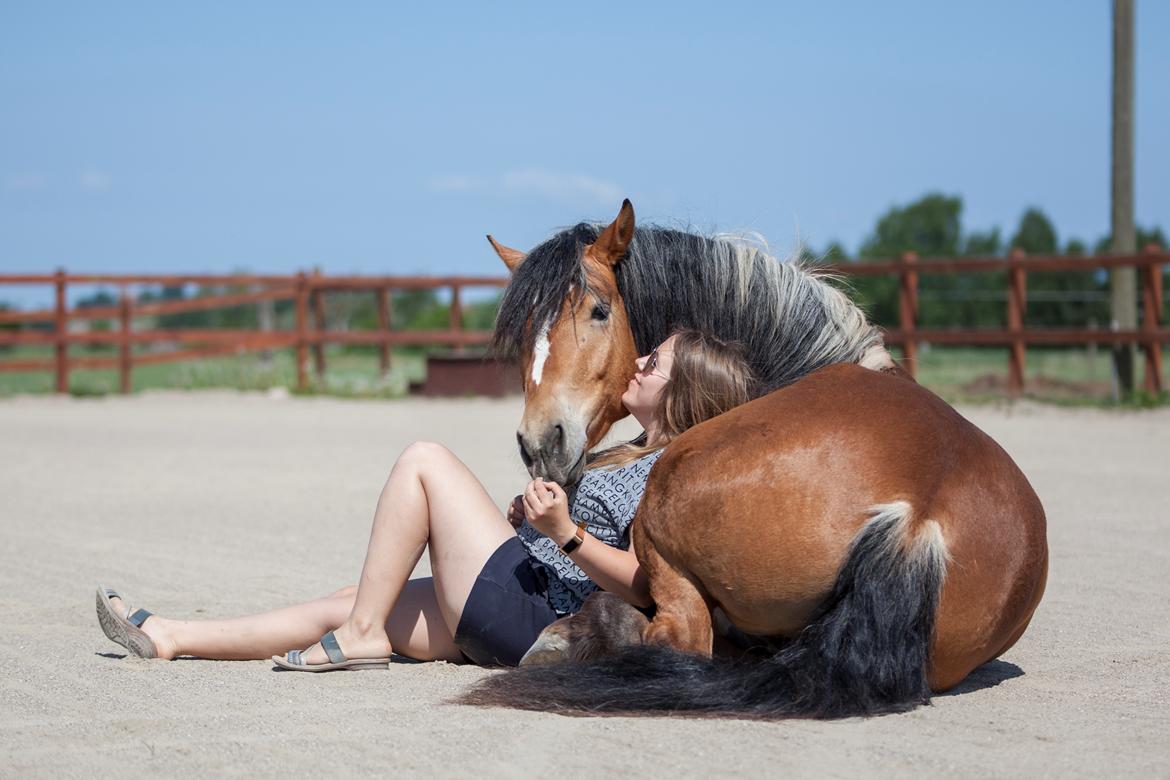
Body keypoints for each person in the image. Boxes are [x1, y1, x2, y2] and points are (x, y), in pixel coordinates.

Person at [96, 329, 757, 670]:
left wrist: (567, 536)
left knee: (425, 461)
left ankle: (359, 639)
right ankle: (173, 638)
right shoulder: (633, 450)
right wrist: (536, 519)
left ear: (687, 393)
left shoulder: (667, 473)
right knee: (347, 603)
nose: (640, 364)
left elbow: (649, 587)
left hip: (536, 612)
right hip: (521, 587)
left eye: (657, 365)